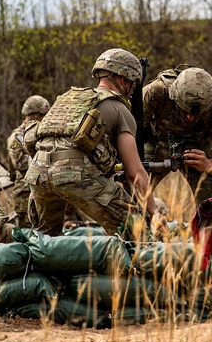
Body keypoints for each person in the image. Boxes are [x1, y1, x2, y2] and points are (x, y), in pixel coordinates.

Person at [27, 48, 159, 238]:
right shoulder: (120, 110)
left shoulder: (66, 99)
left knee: (44, 241)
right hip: (75, 175)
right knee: (136, 233)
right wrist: (154, 213)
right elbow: (134, 172)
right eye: (132, 84)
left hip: (38, 174)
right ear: (124, 80)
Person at [141, 66, 212, 208]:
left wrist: (209, 165)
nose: (190, 118)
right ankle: (136, 225)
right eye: (184, 111)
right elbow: (128, 131)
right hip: (157, 143)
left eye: (197, 114)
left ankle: (207, 227)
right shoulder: (156, 91)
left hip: (197, 150)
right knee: (134, 188)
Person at [6, 95, 51, 227]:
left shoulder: (43, 132)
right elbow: (20, 164)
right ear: (36, 115)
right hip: (26, 193)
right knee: (28, 234)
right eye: (44, 115)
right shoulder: (17, 136)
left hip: (44, 190)